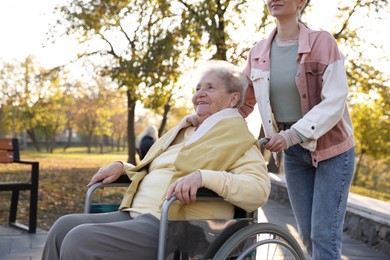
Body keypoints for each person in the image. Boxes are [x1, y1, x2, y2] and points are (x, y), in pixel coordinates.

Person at [42, 60, 271, 260]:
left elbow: (258, 190)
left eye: (210, 88)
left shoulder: (238, 139)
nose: (199, 93)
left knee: (80, 240)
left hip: (174, 225)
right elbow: (160, 169)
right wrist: (123, 168)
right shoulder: (185, 130)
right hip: (135, 213)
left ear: (233, 99)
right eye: (198, 88)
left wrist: (204, 177)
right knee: (63, 227)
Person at [239, 0, 356, 259]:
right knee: (307, 235)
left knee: (324, 235)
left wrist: (292, 135)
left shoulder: (322, 43)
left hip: (332, 150)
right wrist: (208, 118)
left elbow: (336, 99)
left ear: (302, 1)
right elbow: (242, 101)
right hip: (293, 153)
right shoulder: (258, 52)